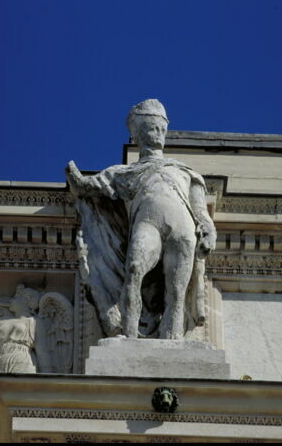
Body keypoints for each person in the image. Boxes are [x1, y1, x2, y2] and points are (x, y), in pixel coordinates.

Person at [66, 99, 216, 339]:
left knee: (177, 292)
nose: (157, 133)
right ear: (136, 134)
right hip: (148, 224)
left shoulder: (185, 172)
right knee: (134, 270)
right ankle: (130, 334)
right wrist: (74, 176)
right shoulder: (123, 173)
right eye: (150, 128)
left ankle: (173, 338)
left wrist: (209, 230)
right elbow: (88, 186)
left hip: (184, 230)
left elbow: (201, 212)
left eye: (161, 128)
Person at [0, 284, 52, 373]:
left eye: (15, 298)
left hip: (22, 362)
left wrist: (47, 379)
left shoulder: (34, 321)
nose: (11, 300)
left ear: (25, 300)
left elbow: (43, 352)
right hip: (0, 361)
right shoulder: (2, 320)